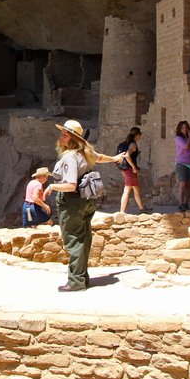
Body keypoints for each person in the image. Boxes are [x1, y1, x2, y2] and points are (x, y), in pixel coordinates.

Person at [43, 120, 125, 292]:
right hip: (86, 200)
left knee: (73, 239)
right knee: (83, 238)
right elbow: (100, 157)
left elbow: (71, 184)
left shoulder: (70, 157)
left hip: (72, 201)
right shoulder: (85, 153)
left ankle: (75, 282)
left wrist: (52, 186)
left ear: (73, 138)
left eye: (65, 134)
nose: (61, 136)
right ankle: (82, 276)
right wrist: (115, 159)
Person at [116, 126, 147, 214]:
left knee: (134, 189)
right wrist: (133, 166)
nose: (140, 137)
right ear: (137, 135)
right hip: (129, 169)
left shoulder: (125, 143)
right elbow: (127, 155)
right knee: (128, 189)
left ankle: (141, 208)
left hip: (125, 169)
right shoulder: (133, 144)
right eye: (140, 135)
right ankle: (122, 211)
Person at [174, 120, 190, 212]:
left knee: (189, 184)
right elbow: (186, 147)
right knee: (182, 184)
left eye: (186, 127)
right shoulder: (178, 138)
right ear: (180, 129)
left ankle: (186, 203)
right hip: (181, 163)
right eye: (183, 128)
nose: (185, 129)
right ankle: (181, 203)